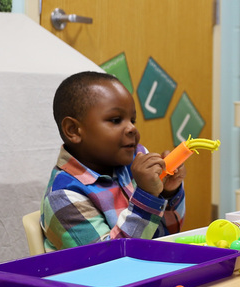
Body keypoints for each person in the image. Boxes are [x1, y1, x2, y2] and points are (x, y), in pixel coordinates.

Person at [41, 71, 186, 250]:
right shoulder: (63, 197)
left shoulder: (136, 160)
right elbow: (109, 261)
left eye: (132, 120)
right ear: (73, 130)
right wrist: (147, 196)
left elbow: (170, 231)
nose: (132, 128)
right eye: (116, 120)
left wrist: (168, 193)